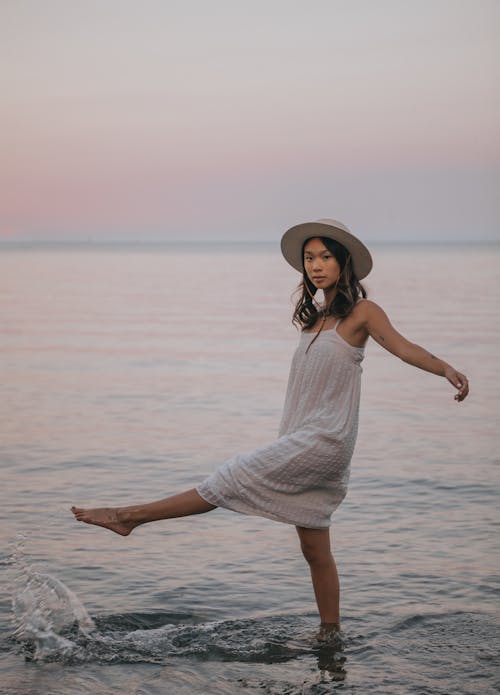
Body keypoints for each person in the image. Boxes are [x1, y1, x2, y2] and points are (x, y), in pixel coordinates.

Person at [71, 218, 469, 633]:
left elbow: (404, 348)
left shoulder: (362, 313)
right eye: (309, 258)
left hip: (325, 439)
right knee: (315, 549)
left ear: (344, 262)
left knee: (230, 475)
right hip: (300, 437)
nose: (316, 265)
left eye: (326, 257)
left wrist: (445, 369)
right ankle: (330, 636)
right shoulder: (313, 318)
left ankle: (129, 516)